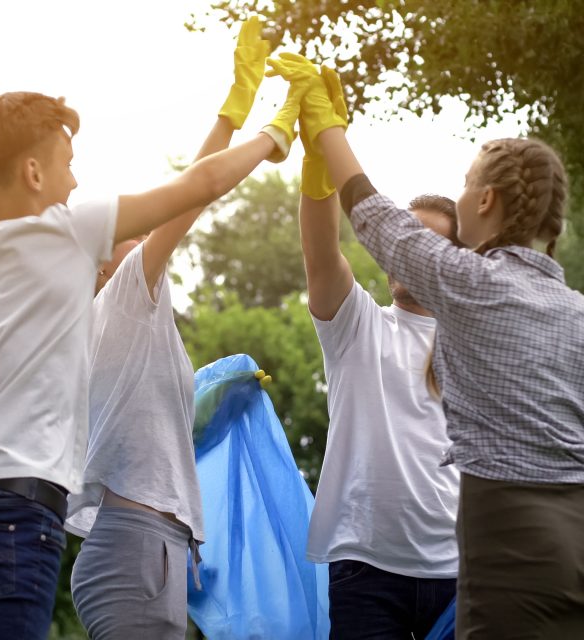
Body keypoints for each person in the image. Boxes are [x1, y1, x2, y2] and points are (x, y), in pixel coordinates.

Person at [0, 32, 301, 639]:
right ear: (33, 172)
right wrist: (273, 132)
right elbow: (195, 190)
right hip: (17, 516)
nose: (76, 183)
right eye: (67, 164)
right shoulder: (65, 234)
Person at [269, 53, 584, 639]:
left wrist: (325, 130)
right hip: (547, 551)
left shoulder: (471, 293)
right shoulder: (573, 311)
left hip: (478, 561)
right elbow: (324, 251)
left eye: (469, 185)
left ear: (483, 207)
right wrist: (317, 168)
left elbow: (375, 218)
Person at [65, 18, 272, 639]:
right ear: (101, 262)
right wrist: (237, 117)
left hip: (148, 545)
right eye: (127, 230)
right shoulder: (124, 293)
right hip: (135, 548)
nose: (142, 232)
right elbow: (189, 195)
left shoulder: (125, 322)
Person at [300, 182, 460, 637]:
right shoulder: (357, 325)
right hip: (366, 572)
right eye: (398, 239)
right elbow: (319, 247)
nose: (403, 250)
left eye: (421, 242)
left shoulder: (476, 346)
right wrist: (318, 162)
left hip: (462, 574)